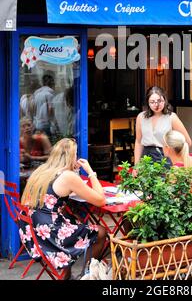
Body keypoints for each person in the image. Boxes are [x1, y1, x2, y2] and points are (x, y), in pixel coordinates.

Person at [20, 138, 107, 280]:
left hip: (35, 229)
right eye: (76, 155)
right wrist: (90, 171)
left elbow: (52, 193)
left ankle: (67, 274)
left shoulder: (43, 170)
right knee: (101, 232)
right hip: (51, 233)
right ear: (71, 157)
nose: (77, 158)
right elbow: (101, 200)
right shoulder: (68, 176)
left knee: (76, 220)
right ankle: (86, 274)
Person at [134, 86, 192, 165]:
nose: (156, 104)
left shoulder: (171, 117)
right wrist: (136, 165)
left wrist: (176, 158)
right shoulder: (141, 117)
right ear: (148, 103)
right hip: (146, 157)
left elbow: (187, 142)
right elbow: (138, 142)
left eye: (159, 101)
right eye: (152, 102)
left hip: (164, 156)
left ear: (165, 100)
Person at [32, 72, 55, 136]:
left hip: (37, 123)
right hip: (46, 124)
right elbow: (50, 109)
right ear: (51, 82)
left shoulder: (36, 92)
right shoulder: (50, 93)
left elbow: (33, 107)